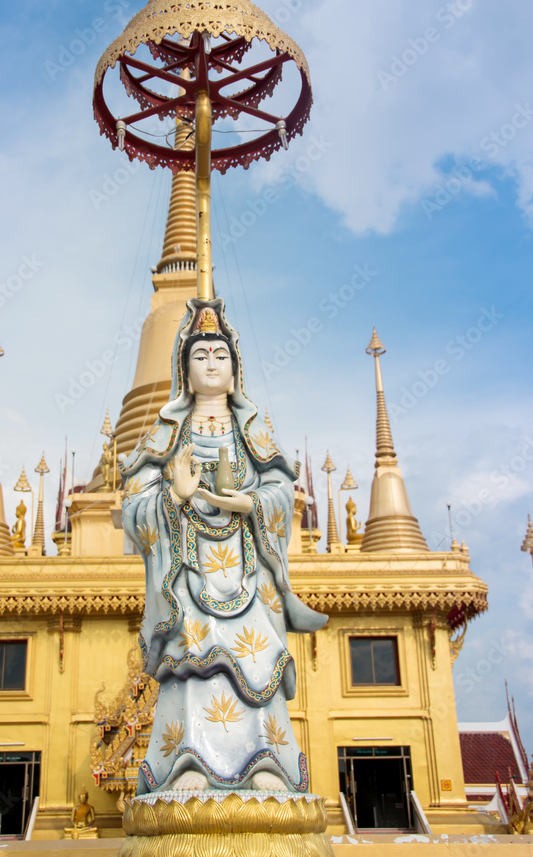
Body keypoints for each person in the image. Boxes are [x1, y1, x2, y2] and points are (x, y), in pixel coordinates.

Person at [121, 298, 327, 794]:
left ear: (235, 373)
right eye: (200, 356)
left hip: (247, 570)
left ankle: (265, 762)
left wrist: (250, 502)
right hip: (188, 575)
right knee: (195, 669)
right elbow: (134, 509)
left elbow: (281, 492)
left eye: (220, 356)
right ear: (184, 373)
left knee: (254, 668)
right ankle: (187, 760)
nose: (211, 363)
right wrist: (176, 495)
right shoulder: (166, 435)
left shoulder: (251, 434)